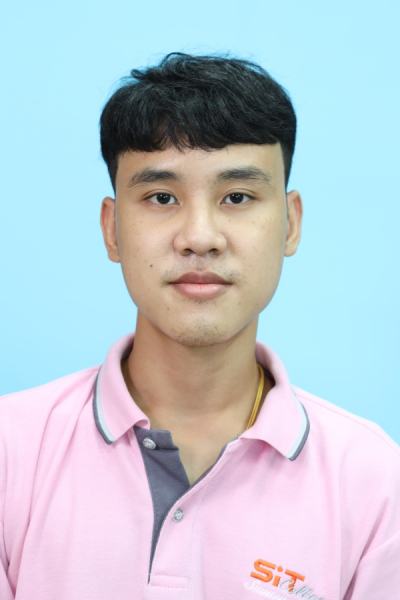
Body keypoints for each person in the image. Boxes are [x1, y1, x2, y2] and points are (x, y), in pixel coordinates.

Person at [0, 52, 399, 600]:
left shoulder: (376, 481)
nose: (199, 238)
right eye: (162, 197)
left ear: (291, 224)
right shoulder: (10, 450)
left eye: (237, 197)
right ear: (112, 229)